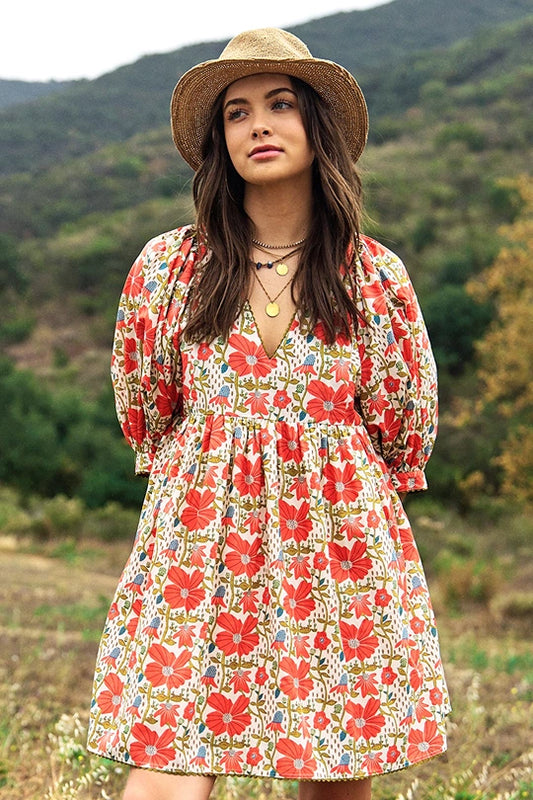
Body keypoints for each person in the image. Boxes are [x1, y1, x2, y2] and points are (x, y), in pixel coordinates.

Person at [86, 27, 450, 800]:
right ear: (219, 141)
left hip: (337, 546)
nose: (257, 125)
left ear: (315, 127)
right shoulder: (169, 268)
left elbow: (401, 426)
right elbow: (147, 406)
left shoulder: (372, 276)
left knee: (336, 763)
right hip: (199, 542)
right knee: (168, 758)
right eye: (236, 111)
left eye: (279, 105)